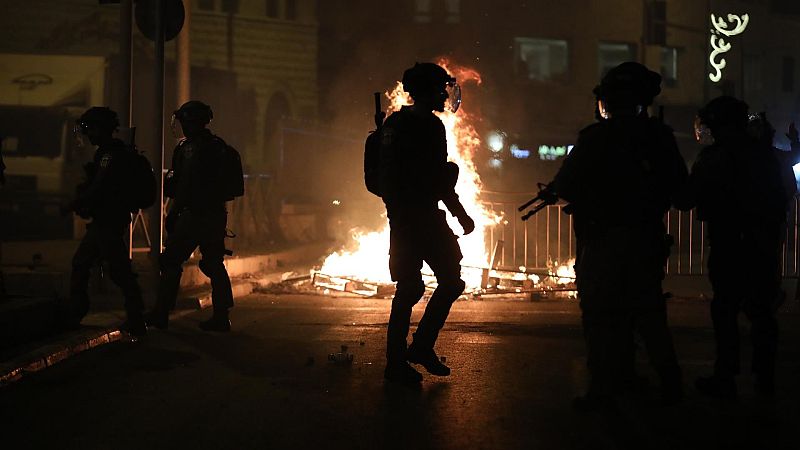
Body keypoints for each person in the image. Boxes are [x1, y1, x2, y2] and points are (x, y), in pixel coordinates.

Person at [552, 62, 690, 409]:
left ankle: (603, 388)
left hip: (602, 241)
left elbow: (565, 185)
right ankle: (668, 383)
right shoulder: (659, 137)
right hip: (645, 239)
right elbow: (682, 192)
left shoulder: (595, 138)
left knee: (600, 314)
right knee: (648, 312)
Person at [379, 63, 475, 384]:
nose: (444, 96)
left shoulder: (395, 124)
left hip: (403, 219)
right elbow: (437, 180)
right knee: (445, 282)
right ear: (426, 90)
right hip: (423, 218)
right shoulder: (430, 127)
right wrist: (460, 214)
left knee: (411, 288)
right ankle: (416, 350)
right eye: (439, 89)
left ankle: (402, 359)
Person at [690, 96, 786, 398]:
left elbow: (688, 197)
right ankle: (764, 380)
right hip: (760, 246)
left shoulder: (713, 158)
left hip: (728, 245)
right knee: (761, 313)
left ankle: (726, 376)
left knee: (725, 311)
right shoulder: (763, 155)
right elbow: (781, 198)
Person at [146, 101, 235, 332]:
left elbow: (184, 186)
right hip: (215, 215)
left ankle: (161, 313)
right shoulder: (218, 146)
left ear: (189, 122)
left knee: (171, 261)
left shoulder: (189, 149)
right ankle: (222, 315)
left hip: (194, 215)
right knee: (213, 263)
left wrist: (173, 212)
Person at [64, 107, 146, 336]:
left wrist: (74, 204)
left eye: (90, 129)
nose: (88, 134)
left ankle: (79, 313)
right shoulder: (110, 153)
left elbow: (100, 187)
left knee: (104, 267)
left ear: (100, 129)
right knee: (111, 268)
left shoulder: (110, 155)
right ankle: (135, 317)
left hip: (108, 222)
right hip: (108, 220)